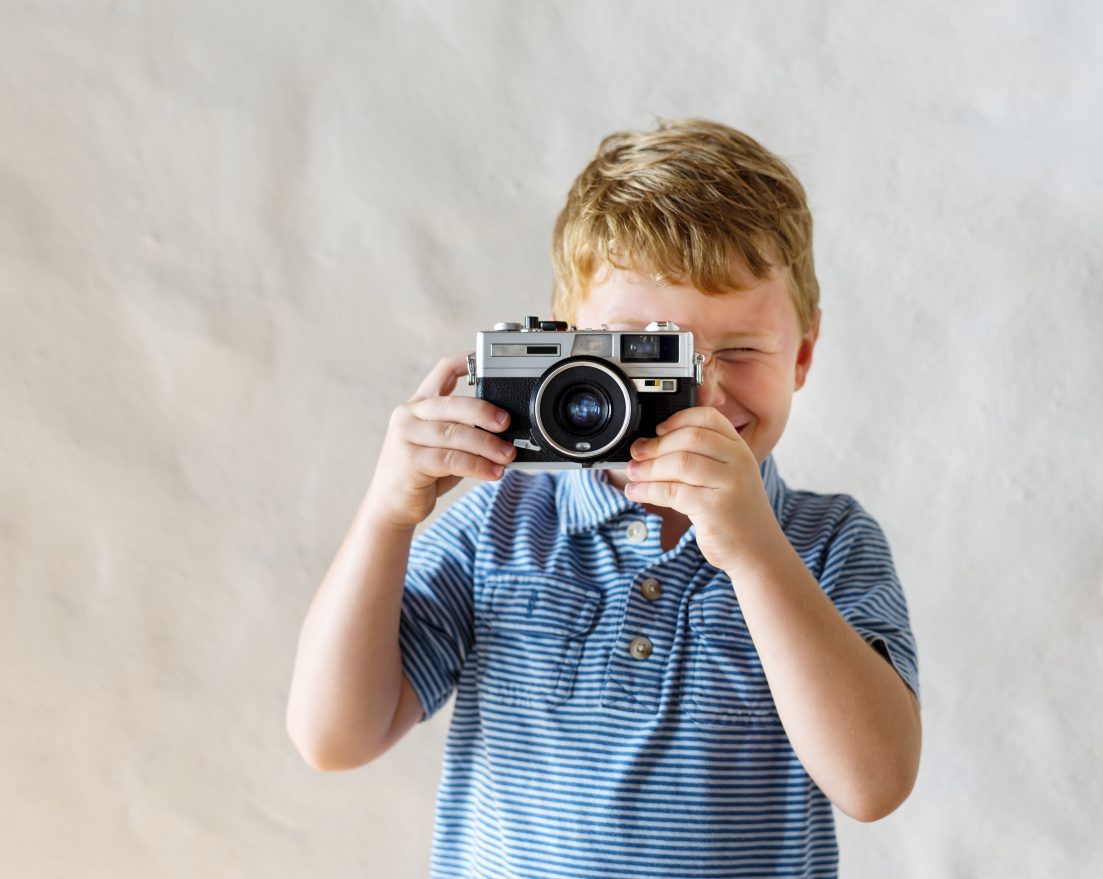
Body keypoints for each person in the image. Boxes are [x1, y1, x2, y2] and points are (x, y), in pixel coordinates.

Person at [287, 118, 922, 878]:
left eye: (743, 350)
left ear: (804, 354)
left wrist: (755, 553)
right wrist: (387, 514)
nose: (702, 390)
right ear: (568, 345)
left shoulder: (826, 541)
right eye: (648, 353)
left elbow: (875, 783)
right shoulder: (502, 523)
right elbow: (332, 734)